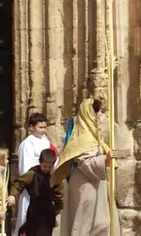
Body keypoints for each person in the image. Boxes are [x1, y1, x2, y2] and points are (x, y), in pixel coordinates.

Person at [53, 99, 118, 236]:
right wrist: (105, 159)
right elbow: (85, 163)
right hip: (85, 184)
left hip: (97, 183)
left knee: (102, 222)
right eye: (97, 112)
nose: (100, 115)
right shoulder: (82, 137)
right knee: (85, 223)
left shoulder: (96, 135)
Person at [15, 113, 52, 233]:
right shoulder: (27, 144)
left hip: (44, 185)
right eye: (40, 127)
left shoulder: (46, 141)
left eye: (45, 127)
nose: (43, 130)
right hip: (32, 187)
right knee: (27, 217)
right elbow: (26, 168)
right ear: (31, 127)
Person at [12, 150, 62, 236]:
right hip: (34, 211)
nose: (46, 169)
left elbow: (59, 192)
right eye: (44, 166)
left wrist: (58, 207)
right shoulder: (32, 174)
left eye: (49, 167)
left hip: (48, 212)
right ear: (40, 162)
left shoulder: (54, 176)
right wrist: (13, 195)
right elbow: (18, 183)